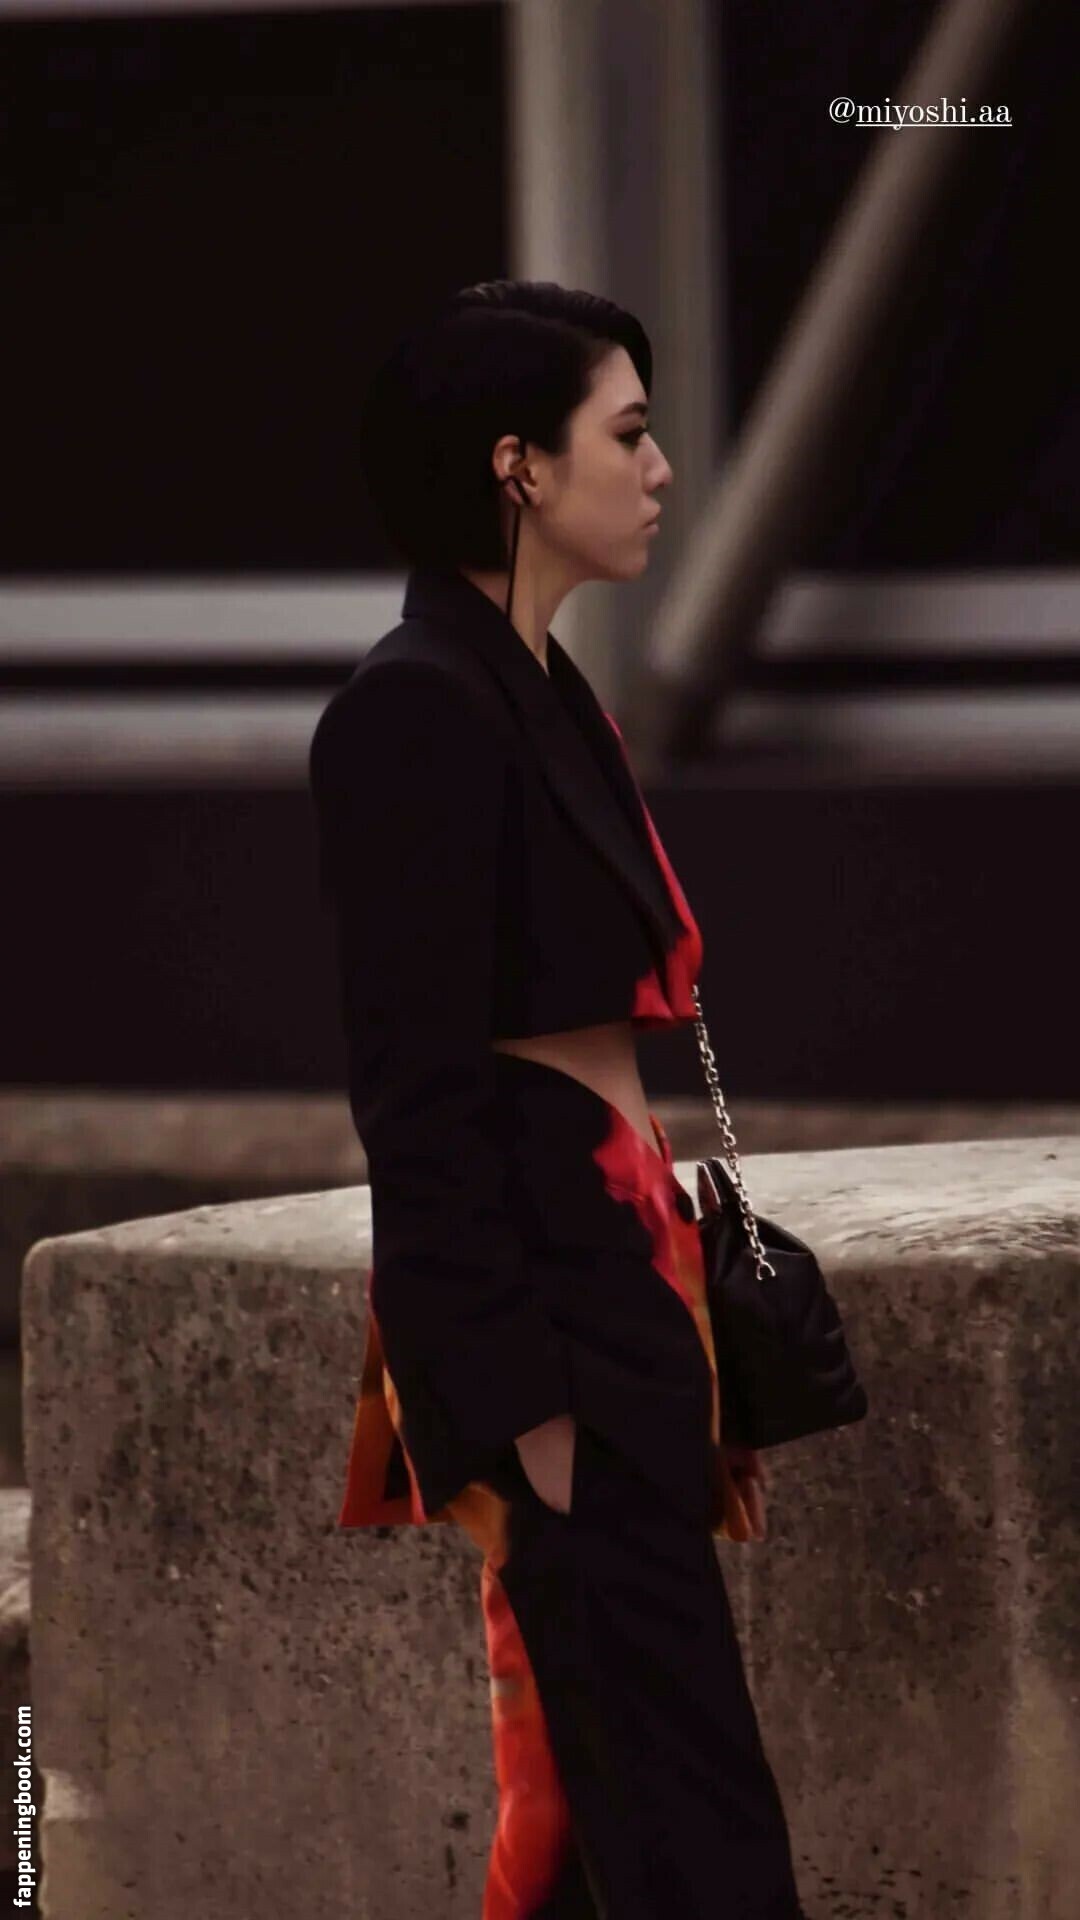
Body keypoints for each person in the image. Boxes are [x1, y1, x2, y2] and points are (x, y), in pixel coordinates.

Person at [308, 280, 806, 1918]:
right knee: (672, 1813)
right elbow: (416, 1093)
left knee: (627, 1812)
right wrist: (525, 1414)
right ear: (517, 466)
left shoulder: (536, 683)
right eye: (630, 433)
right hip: (553, 1322)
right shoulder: (414, 706)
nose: (662, 471)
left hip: (625, 1283)